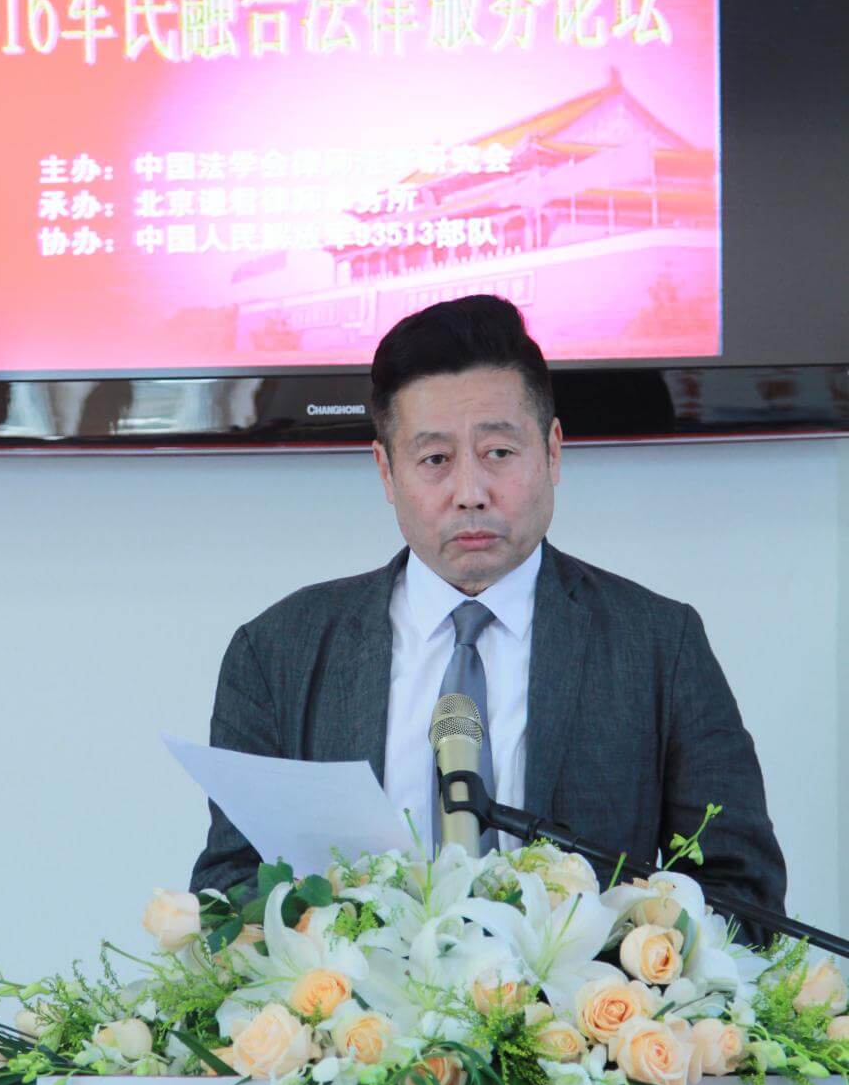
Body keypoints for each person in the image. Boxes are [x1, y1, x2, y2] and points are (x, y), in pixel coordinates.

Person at [190, 294, 786, 938]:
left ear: (552, 453)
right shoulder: (278, 652)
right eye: (435, 460)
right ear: (387, 472)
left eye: (499, 452)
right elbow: (229, 893)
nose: (471, 493)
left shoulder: (659, 645)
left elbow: (744, 895)